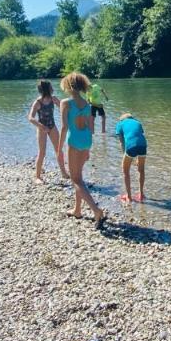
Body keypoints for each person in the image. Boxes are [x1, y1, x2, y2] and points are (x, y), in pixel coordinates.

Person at [58, 72, 106, 226]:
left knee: (75, 179)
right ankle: (77, 209)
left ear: (67, 85)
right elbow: (91, 127)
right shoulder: (87, 103)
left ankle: (95, 210)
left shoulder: (65, 103)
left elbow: (65, 127)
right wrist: (88, 149)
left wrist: (59, 149)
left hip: (74, 141)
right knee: (79, 176)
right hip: (86, 140)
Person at [28, 80, 69, 182]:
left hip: (52, 127)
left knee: (59, 150)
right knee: (42, 152)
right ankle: (37, 177)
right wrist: (41, 126)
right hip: (42, 128)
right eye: (51, 87)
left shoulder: (53, 99)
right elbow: (30, 118)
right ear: (47, 89)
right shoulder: (37, 102)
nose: (53, 89)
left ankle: (63, 173)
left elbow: (63, 107)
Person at [113, 113, 148, 203]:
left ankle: (128, 196)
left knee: (125, 170)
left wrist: (125, 154)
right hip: (143, 144)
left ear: (121, 119)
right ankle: (141, 194)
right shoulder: (137, 122)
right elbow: (138, 135)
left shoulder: (120, 124)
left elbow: (122, 142)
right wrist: (136, 158)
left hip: (131, 145)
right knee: (141, 169)